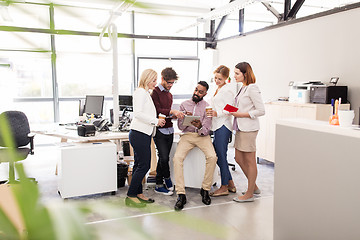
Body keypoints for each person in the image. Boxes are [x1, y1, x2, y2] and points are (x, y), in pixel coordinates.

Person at [173, 81, 217, 211]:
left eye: (200, 92)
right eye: (196, 90)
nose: (196, 93)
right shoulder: (184, 104)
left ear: (205, 93)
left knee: (212, 157)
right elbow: (181, 127)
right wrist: (185, 119)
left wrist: (199, 126)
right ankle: (181, 194)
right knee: (177, 158)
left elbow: (207, 129)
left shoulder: (207, 107)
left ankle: (205, 189)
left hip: (202, 136)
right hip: (187, 136)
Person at [126, 69, 166, 208]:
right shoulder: (140, 93)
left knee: (138, 165)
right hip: (139, 133)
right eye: (154, 80)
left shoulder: (144, 93)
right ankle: (131, 195)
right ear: (147, 79)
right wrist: (155, 121)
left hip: (142, 133)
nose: (155, 83)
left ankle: (138, 193)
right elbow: (138, 114)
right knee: (144, 166)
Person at [230, 62, 265, 203]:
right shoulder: (242, 88)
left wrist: (241, 115)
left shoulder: (252, 88)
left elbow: (261, 111)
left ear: (245, 74)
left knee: (250, 161)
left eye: (237, 73)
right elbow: (239, 107)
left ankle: (250, 193)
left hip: (248, 129)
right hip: (240, 127)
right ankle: (254, 186)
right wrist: (228, 109)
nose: (234, 76)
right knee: (238, 158)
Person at [151, 67, 185, 195]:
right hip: (159, 130)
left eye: (173, 83)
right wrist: (171, 112)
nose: (171, 85)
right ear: (162, 79)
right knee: (164, 157)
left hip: (170, 129)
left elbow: (167, 112)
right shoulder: (155, 92)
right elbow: (157, 110)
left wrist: (174, 115)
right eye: (169, 82)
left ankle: (159, 184)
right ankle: (167, 178)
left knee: (164, 158)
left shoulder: (170, 95)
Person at [207, 65, 237, 197]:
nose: (217, 80)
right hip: (216, 125)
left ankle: (224, 186)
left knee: (220, 157)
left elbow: (232, 108)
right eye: (215, 78)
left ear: (226, 78)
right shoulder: (217, 89)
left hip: (223, 126)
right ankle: (230, 184)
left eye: (220, 78)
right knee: (219, 156)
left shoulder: (227, 91)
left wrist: (217, 113)